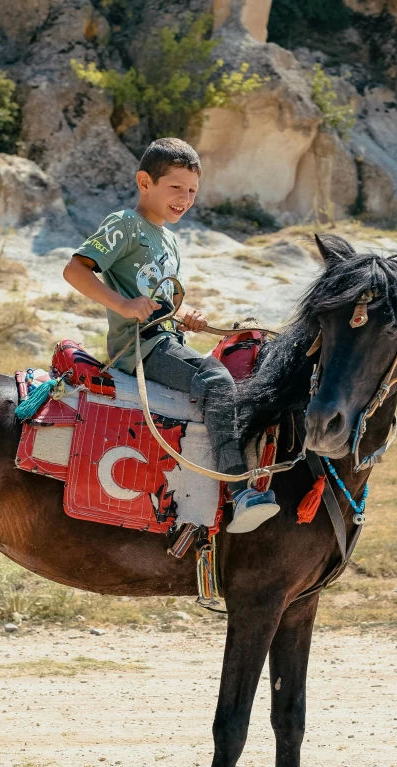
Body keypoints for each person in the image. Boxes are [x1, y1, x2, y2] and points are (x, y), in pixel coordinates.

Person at [63, 137, 279, 533]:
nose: (185, 198)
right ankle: (240, 489)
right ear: (145, 182)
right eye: (175, 187)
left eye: (192, 190)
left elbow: (161, 299)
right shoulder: (125, 224)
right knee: (216, 378)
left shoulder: (171, 239)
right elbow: (75, 270)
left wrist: (184, 315)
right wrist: (124, 305)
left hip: (166, 338)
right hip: (141, 348)